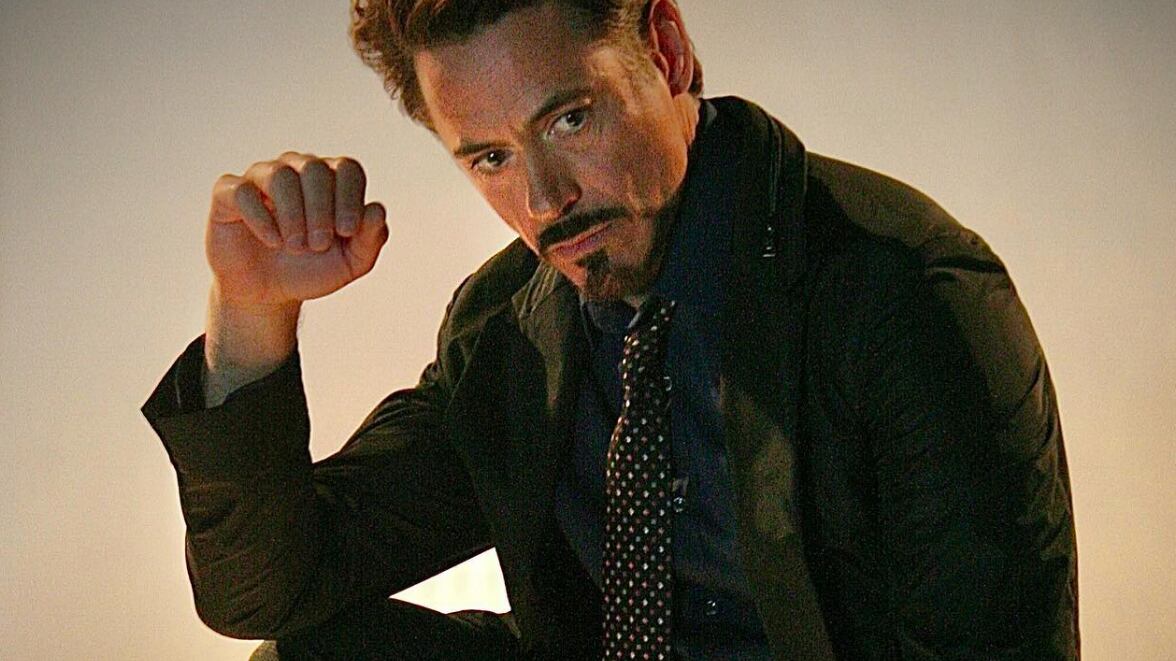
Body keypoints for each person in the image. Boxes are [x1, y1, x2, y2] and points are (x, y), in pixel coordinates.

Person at [141, 0, 1079, 659]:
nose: (544, 200)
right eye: (492, 158)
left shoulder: (904, 293)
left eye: (571, 119)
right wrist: (251, 312)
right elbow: (268, 587)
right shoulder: (508, 326)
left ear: (665, 51)